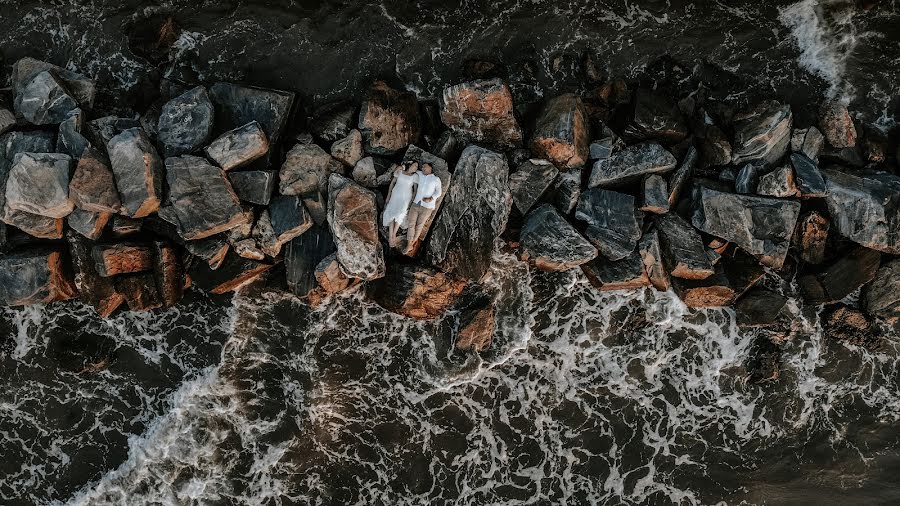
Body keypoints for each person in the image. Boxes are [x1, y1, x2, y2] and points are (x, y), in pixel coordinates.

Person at [405, 162, 442, 253]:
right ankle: (409, 245)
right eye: (422, 167)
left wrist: (431, 198)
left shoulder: (436, 179)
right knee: (411, 224)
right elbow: (412, 168)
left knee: (419, 225)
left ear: (430, 168)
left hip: (427, 206)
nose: (423, 168)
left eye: (425, 166)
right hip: (416, 203)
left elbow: (439, 192)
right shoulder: (420, 174)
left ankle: (412, 244)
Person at [382, 161, 418, 248]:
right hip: (395, 195)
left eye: (417, 167)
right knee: (391, 213)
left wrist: (412, 200)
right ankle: (391, 237)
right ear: (410, 164)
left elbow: (415, 190)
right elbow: (392, 183)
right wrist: (388, 195)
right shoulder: (400, 172)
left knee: (400, 214)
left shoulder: (415, 176)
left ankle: (393, 234)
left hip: (406, 198)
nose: (416, 167)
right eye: (415, 165)